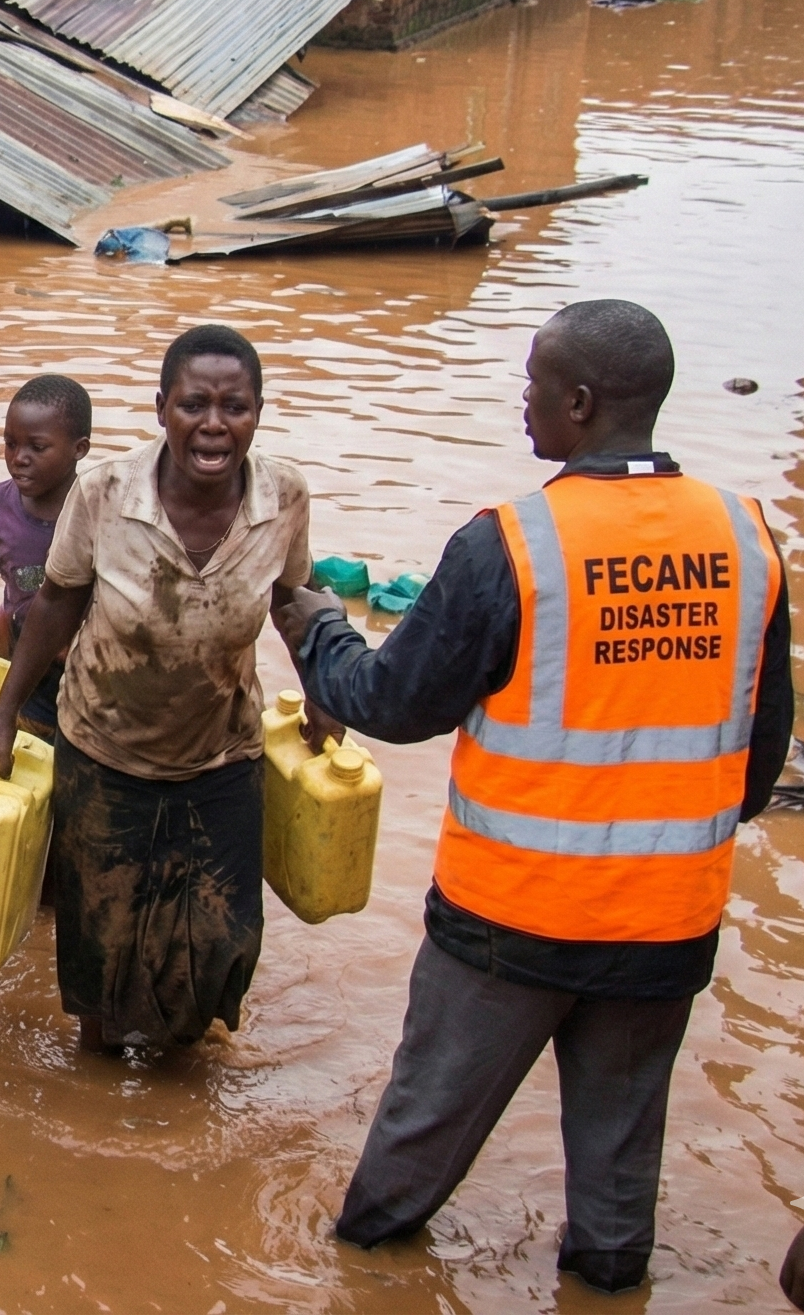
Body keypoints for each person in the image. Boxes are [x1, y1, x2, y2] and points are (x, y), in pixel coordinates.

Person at [270, 298, 791, 1295]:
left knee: (406, 1163)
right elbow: (757, 760)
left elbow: (393, 700)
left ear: (581, 402)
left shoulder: (509, 544)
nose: (523, 403)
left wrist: (316, 628)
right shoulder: (747, 537)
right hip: (666, 925)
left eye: (534, 385)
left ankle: (355, 1285)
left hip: (509, 920)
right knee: (615, 1184)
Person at [0, 324, 311, 1051]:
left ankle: (178, 1064)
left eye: (236, 405)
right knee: (100, 939)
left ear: (258, 411)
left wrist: (327, 695)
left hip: (223, 751)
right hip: (103, 745)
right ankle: (97, 1076)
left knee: (221, 938)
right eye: (195, 403)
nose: (215, 424)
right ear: (163, 408)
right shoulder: (104, 492)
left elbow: (293, 600)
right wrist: (4, 714)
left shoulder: (283, 494)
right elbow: (58, 600)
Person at [0, 374, 92, 736]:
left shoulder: (97, 511)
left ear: (79, 449)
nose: (19, 459)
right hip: (25, 660)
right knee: (28, 740)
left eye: (37, 447)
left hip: (85, 665)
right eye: (10, 444)